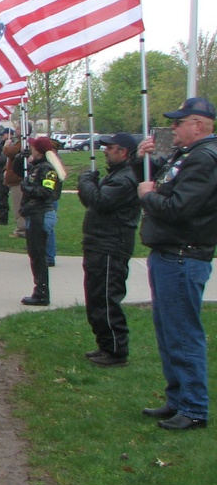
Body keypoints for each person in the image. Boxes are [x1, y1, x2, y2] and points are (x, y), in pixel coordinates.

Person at [137, 98, 217, 431]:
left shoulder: (204, 159)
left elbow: (180, 206)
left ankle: (194, 407)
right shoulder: (188, 156)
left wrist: (147, 196)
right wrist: (147, 161)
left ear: (198, 125)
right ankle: (177, 399)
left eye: (178, 123)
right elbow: (169, 185)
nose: (172, 128)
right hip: (170, 254)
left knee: (183, 333)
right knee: (170, 332)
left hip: (184, 255)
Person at [76, 132, 141, 367]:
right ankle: (106, 345)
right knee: (95, 296)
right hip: (99, 242)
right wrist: (90, 185)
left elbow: (101, 201)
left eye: (110, 147)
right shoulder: (115, 175)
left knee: (105, 297)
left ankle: (116, 350)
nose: (105, 151)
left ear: (123, 151)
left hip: (111, 245)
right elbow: (93, 201)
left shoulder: (125, 178)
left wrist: (85, 181)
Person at [19, 136, 63, 306]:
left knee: (39, 256)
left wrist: (27, 188)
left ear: (39, 150)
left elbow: (46, 191)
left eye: (33, 148)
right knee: (34, 255)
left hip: (41, 214)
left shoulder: (48, 169)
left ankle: (42, 293)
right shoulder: (37, 167)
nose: (31, 150)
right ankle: (39, 290)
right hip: (33, 214)